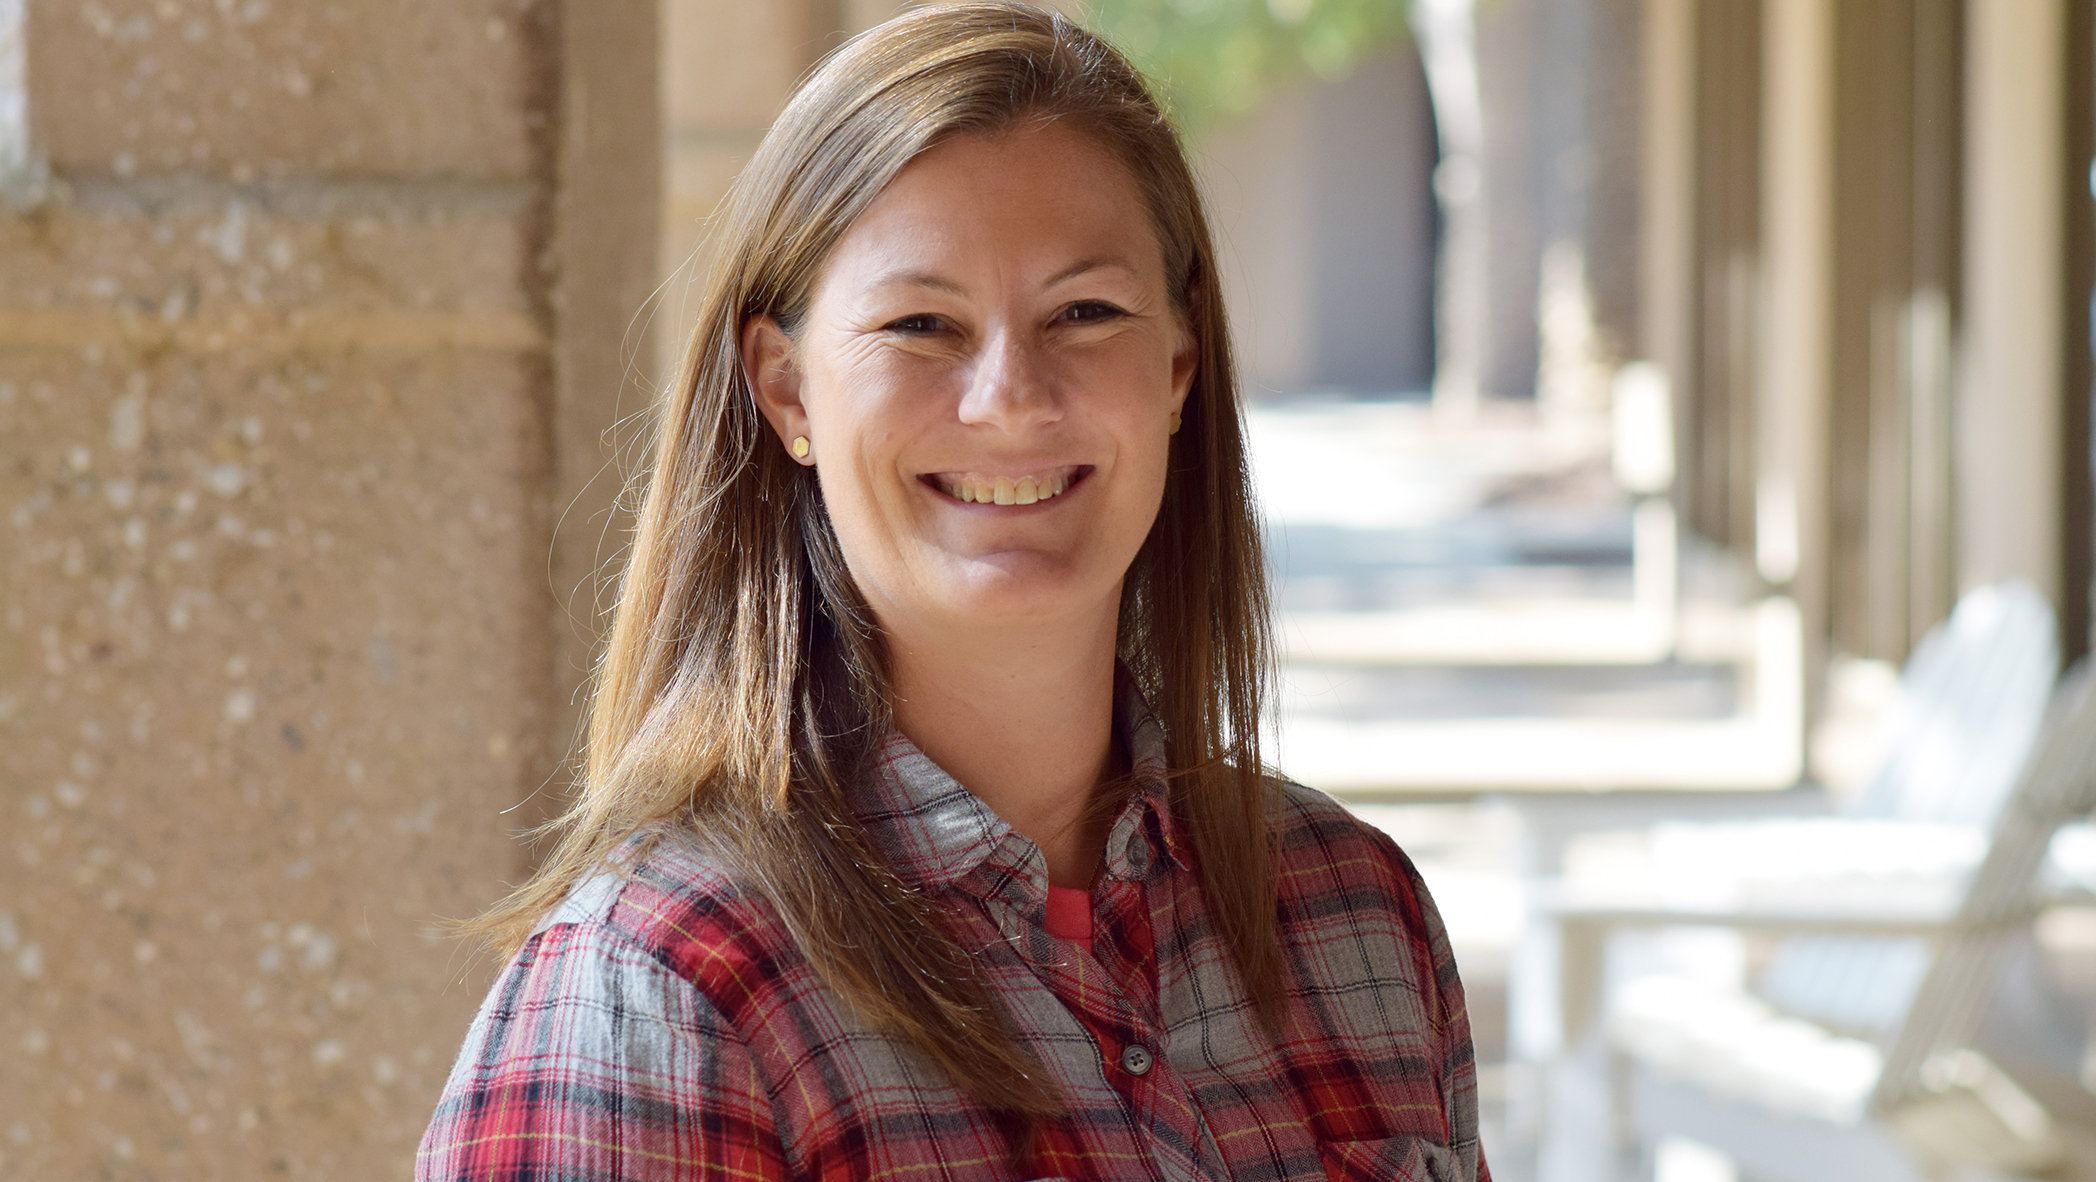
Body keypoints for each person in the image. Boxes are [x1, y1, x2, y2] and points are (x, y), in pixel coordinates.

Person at [416, 5, 1488, 1179]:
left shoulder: (1354, 914)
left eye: (1084, 313)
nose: (1010, 398)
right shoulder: (659, 994)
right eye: (920, 324)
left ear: (1176, 369)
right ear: (786, 393)